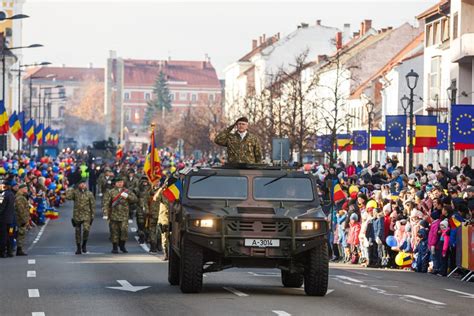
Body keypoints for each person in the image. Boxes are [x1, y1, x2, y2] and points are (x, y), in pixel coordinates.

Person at [103, 176, 137, 254]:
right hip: (113, 215)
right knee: (114, 231)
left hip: (124, 215)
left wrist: (128, 197)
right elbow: (106, 203)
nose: (120, 184)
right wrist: (105, 213)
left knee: (124, 231)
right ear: (115, 184)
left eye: (121, 182)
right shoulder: (110, 192)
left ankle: (122, 245)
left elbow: (135, 199)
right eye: (118, 182)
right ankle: (115, 247)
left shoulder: (127, 191)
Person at [65, 179, 96, 254]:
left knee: (86, 229)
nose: (83, 185)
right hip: (77, 215)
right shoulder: (75, 193)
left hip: (87, 215)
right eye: (81, 184)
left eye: (84, 184)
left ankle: (84, 245)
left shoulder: (89, 193)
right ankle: (78, 247)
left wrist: (92, 216)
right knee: (77, 232)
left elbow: (93, 205)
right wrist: (71, 189)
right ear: (78, 185)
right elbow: (68, 197)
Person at [0, 179, 16, 258]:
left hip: (3, 220)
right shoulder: (12, 194)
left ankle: (2, 252)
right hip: (11, 219)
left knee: (3, 236)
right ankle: (10, 251)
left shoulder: (3, 195)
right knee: (10, 234)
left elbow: (1, 207)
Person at [14, 183, 30, 256]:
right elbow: (21, 210)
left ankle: (19, 249)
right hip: (20, 219)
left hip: (20, 219)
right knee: (20, 234)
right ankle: (19, 249)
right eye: (25, 188)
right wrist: (25, 220)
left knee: (21, 234)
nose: (26, 190)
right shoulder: (20, 198)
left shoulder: (22, 197)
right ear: (21, 189)